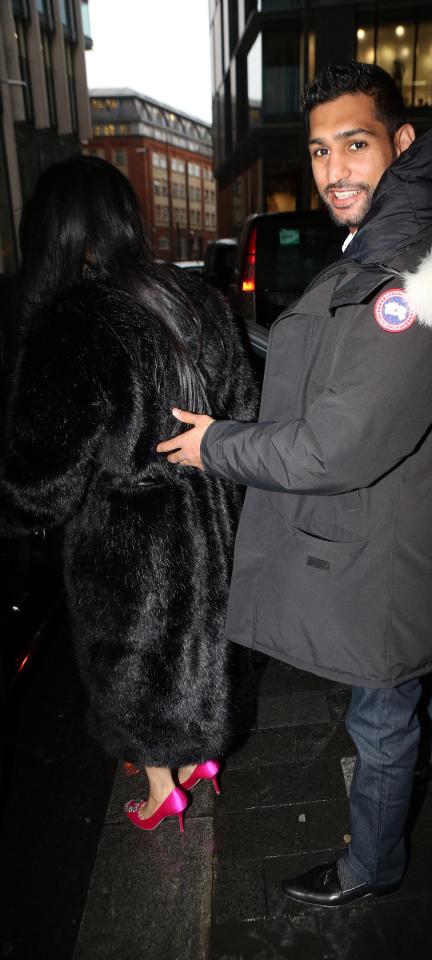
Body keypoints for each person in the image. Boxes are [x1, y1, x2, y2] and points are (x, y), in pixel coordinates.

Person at [157, 62, 432, 902]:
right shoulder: (396, 239)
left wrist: (216, 445)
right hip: (392, 531)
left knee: (381, 710)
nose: (334, 171)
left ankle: (371, 869)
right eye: (322, 150)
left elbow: (333, 448)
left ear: (401, 144)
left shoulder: (415, 274)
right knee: (394, 672)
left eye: (356, 145)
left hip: (390, 541)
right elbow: (343, 366)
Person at [0, 156, 258, 832]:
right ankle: (197, 756)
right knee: (200, 645)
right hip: (214, 524)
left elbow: (42, 482)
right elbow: (243, 415)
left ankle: (161, 785)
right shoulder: (196, 298)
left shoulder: (71, 322)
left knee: (134, 663)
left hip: (130, 544)